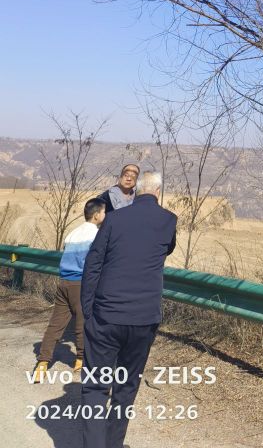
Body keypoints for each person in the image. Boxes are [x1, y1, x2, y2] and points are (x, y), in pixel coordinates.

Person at [80, 171, 176, 448]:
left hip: (106, 315)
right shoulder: (169, 221)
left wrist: (88, 309)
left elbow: (93, 263)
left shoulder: (114, 219)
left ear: (138, 191)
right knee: (126, 386)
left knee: (97, 387)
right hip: (144, 319)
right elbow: (165, 249)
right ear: (158, 192)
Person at [32, 198, 107, 383]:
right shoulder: (96, 235)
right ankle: (80, 361)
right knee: (82, 323)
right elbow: (94, 263)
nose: (105, 215)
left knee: (56, 324)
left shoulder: (72, 234)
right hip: (80, 284)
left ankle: (42, 363)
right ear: (97, 215)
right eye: (104, 212)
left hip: (64, 282)